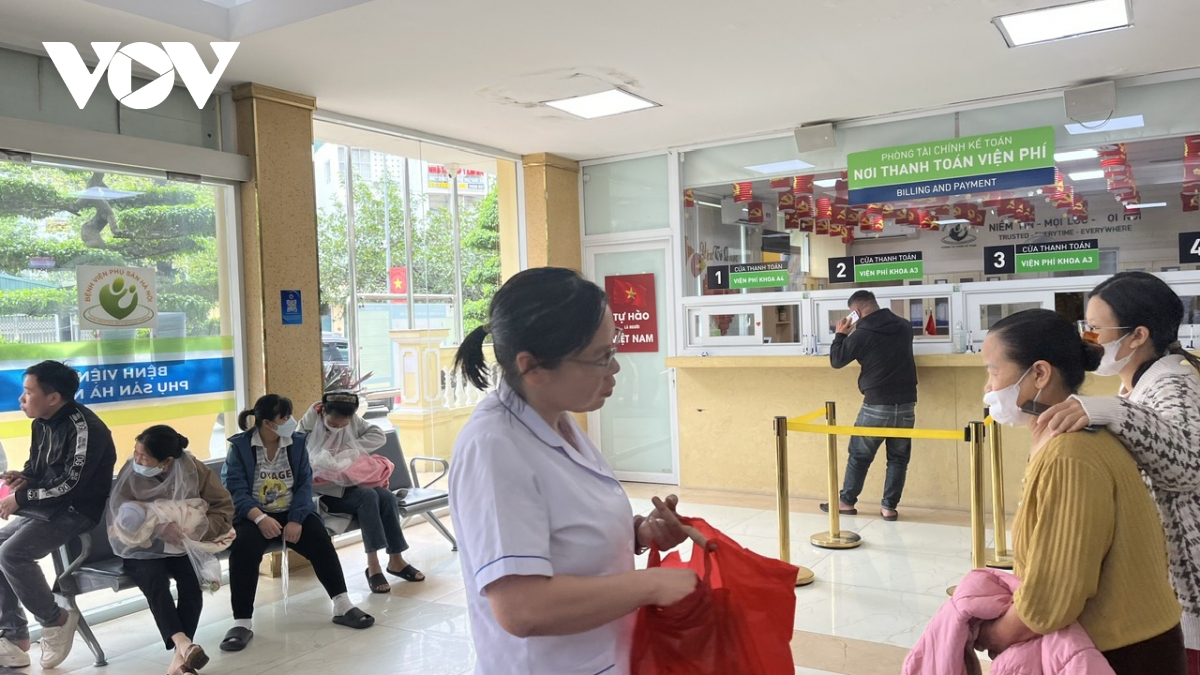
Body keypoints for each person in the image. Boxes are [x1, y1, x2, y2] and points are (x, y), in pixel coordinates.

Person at [450, 267, 699, 675]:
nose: (614, 368)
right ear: (533, 367)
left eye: (613, 349)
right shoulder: (494, 448)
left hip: (606, 655)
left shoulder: (555, 420)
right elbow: (522, 608)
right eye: (600, 357)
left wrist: (639, 533)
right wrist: (649, 586)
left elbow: (560, 535)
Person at [974, 309, 1185, 675]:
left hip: (1120, 655)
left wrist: (992, 634)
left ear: (1040, 373)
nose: (988, 388)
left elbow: (1053, 596)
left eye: (994, 371)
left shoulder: (1069, 454)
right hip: (1114, 646)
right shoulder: (1063, 438)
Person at [1034, 272, 1200, 673]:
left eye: (1096, 328)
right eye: (1085, 326)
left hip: (1188, 590)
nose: (1088, 338)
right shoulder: (1140, 383)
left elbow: (1189, 465)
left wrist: (1112, 410)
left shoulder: (1174, 383)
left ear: (1138, 335)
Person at [219, 394, 373, 652]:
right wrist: (260, 518)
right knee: (244, 549)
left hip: (292, 512)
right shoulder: (240, 447)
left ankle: (342, 604)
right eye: (285, 418)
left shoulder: (297, 443)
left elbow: (304, 483)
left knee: (320, 540)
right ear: (268, 423)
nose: (291, 422)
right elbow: (235, 490)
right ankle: (242, 622)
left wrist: (296, 518)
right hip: (253, 515)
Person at [0, 361, 116, 669]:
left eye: (28, 392)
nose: (21, 399)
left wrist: (21, 498)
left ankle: (56, 620)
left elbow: (69, 486)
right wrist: (24, 479)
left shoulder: (86, 429)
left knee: (12, 553)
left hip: (76, 510)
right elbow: (39, 469)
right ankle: (15, 637)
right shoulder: (40, 423)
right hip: (49, 506)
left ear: (53, 398)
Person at [109, 425, 234, 675]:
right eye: (136, 453)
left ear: (166, 461)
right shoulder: (130, 472)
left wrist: (197, 530)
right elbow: (120, 517)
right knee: (154, 581)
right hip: (141, 547)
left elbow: (223, 507)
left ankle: (180, 659)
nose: (137, 461)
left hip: (181, 544)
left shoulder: (194, 470)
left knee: (192, 582)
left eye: (144, 457)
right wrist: (156, 527)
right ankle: (184, 644)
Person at [298, 391, 424, 593]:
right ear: (323, 413)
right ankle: (373, 565)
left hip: (351, 485)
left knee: (386, 496)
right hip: (324, 493)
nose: (339, 427)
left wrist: (349, 448)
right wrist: (325, 459)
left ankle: (396, 559)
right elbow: (299, 461)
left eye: (344, 425)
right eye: (334, 423)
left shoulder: (353, 420)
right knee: (369, 495)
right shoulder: (307, 427)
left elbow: (378, 435)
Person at [823, 290, 918, 520]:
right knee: (898, 459)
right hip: (907, 404)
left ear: (856, 312)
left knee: (859, 455)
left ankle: (846, 502)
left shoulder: (862, 334)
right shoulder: (905, 326)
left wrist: (840, 335)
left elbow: (837, 360)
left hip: (876, 403)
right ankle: (889, 508)